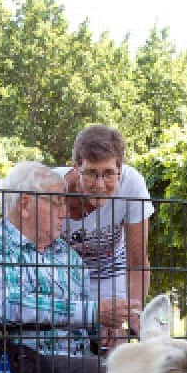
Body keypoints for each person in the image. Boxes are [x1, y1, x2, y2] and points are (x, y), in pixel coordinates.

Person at [0, 161, 130, 373]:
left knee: (132, 367)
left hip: (72, 358)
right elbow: (9, 306)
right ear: (24, 204)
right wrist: (93, 312)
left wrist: (107, 330)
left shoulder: (65, 253)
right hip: (15, 359)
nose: (65, 211)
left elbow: (86, 314)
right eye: (56, 202)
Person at [57, 125, 156, 348]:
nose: (100, 185)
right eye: (91, 173)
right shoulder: (52, 186)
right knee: (67, 345)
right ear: (76, 167)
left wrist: (129, 315)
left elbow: (137, 262)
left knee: (113, 346)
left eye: (109, 173)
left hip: (112, 273)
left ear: (120, 169)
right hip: (65, 277)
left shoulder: (132, 185)